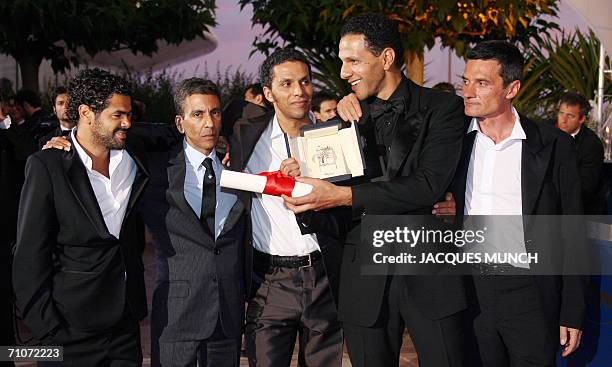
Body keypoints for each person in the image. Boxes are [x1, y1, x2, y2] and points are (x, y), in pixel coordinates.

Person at [283, 13, 468, 367]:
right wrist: (304, 187)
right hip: (362, 281)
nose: (342, 73)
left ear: (386, 59)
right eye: (341, 62)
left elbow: (427, 186)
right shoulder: (340, 122)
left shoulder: (442, 108)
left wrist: (343, 196)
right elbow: (331, 209)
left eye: (353, 61)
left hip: (429, 275)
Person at [440, 40, 588, 366]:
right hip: (470, 291)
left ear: (511, 88)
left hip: (530, 292)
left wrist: (573, 311)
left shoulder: (554, 146)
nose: (468, 92)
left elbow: (573, 232)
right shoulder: (453, 145)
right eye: (466, 81)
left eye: (481, 83)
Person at [12, 68, 149, 366]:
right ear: (86, 112)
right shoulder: (47, 165)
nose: (127, 123)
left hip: (125, 328)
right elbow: (28, 256)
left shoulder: (134, 154)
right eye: (117, 115)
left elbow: (177, 135)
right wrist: (48, 329)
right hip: (67, 330)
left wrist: (224, 147)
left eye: (129, 115)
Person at [230, 48, 344, 367]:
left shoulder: (334, 138)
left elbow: (351, 201)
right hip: (268, 278)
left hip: (324, 276)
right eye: (287, 83)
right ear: (268, 92)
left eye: (305, 81)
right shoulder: (246, 135)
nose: (299, 91)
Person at [144, 78, 246, 367]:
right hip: (176, 313)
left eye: (215, 113)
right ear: (179, 123)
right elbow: (118, 133)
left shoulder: (239, 167)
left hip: (227, 314)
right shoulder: (157, 169)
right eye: (198, 114)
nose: (209, 123)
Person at [556, 92, 606, 214]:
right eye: (561, 113)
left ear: (582, 119)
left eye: (570, 116)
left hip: (581, 210)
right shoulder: (545, 131)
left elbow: (585, 186)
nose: (563, 120)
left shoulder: (591, 145)